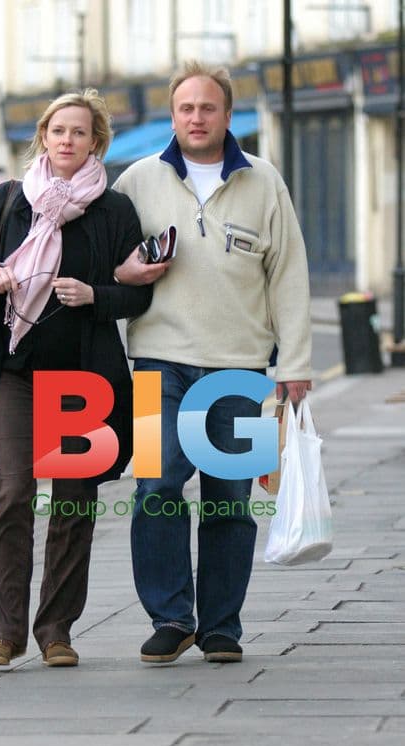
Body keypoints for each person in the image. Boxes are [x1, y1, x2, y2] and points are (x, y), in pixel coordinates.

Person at [113, 61, 311, 665]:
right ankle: (172, 616)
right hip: (156, 362)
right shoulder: (137, 180)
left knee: (230, 499)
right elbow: (106, 261)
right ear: (172, 115)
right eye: (185, 108)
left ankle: (222, 626)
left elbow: (290, 277)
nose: (195, 118)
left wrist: (296, 362)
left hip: (241, 369)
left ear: (228, 115)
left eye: (207, 108)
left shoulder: (264, 182)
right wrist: (123, 272)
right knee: (157, 488)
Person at [0, 89, 152, 668]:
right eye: (58, 130)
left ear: (97, 142)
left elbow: (139, 294)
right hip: (12, 373)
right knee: (14, 494)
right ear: (43, 135)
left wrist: (95, 296)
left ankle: (56, 631)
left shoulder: (112, 211)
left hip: (82, 379)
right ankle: (5, 631)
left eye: (80, 133)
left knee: (74, 502)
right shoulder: (8, 200)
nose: (67, 140)